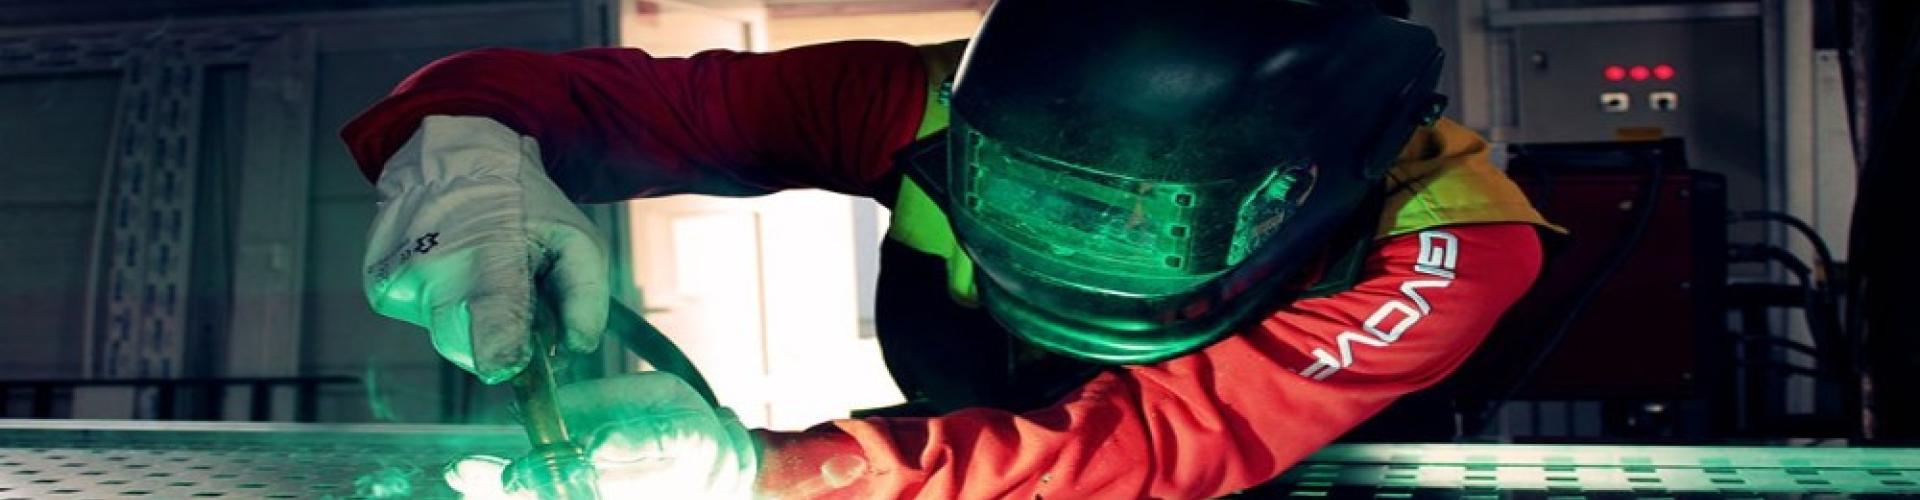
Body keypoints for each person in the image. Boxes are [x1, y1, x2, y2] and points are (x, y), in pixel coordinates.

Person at [343, 0, 1558, 497]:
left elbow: (1143, 444)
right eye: (1032, 187)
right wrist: (471, 170)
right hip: (967, 462)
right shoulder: (925, 101)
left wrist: (766, 472)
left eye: (1136, 210)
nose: (1077, 237)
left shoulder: (1450, 238)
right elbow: (577, 96)